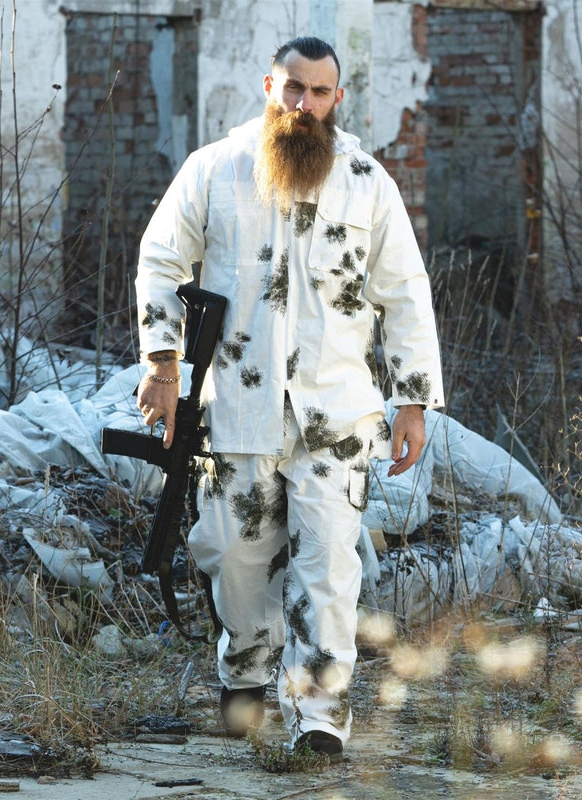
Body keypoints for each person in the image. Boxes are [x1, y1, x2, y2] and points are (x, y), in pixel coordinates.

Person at [133, 36, 443, 763]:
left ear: (338, 99)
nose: (304, 105)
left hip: (337, 414)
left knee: (329, 566)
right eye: (293, 88)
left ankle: (320, 720)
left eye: (320, 92)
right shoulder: (216, 169)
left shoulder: (367, 181)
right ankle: (244, 673)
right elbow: (161, 259)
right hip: (239, 407)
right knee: (235, 556)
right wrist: (163, 365)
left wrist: (412, 402)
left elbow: (404, 292)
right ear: (270, 85)